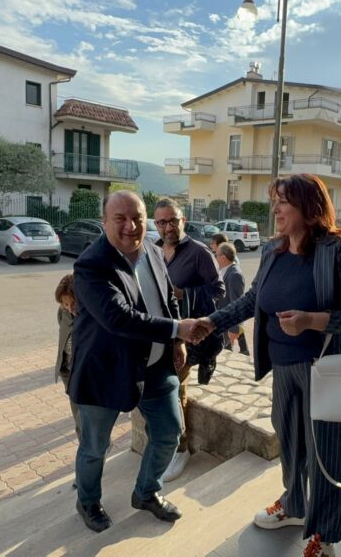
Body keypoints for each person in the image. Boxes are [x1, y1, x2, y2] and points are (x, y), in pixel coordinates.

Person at [194, 174, 341, 557]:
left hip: (326, 370)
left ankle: (324, 538)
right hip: (285, 367)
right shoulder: (273, 250)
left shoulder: (336, 250)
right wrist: (213, 322)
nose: (274, 208)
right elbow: (253, 300)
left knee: (328, 454)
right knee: (291, 445)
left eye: (283, 202)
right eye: (274, 200)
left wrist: (312, 320)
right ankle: (294, 506)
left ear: (309, 208)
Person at [69, 190, 205, 533]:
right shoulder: (91, 265)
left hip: (157, 368)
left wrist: (176, 340)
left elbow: (169, 297)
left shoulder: (155, 252)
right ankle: (87, 501)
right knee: (95, 447)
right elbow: (120, 318)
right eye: (120, 219)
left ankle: (146, 492)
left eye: (137, 218)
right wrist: (178, 328)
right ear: (104, 223)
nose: (131, 226)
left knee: (169, 434)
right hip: (107, 372)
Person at [153, 199, 225, 482]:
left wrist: (185, 294)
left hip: (187, 337)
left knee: (175, 390)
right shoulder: (153, 250)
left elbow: (218, 290)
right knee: (160, 389)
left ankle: (180, 449)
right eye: (162, 222)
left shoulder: (199, 253)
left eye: (173, 220)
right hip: (159, 333)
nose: (168, 227)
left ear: (183, 220)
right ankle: (165, 440)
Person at [54, 272, 80, 438]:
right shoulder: (62, 313)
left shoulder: (91, 314)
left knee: (87, 416)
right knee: (76, 410)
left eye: (73, 303)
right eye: (65, 304)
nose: (70, 309)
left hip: (86, 372)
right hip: (68, 370)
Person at [215, 242, 250, 356]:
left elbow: (237, 303)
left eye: (216, 255)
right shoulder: (224, 269)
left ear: (223, 258)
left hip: (226, 325)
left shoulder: (235, 275)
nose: (215, 258)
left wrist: (234, 329)